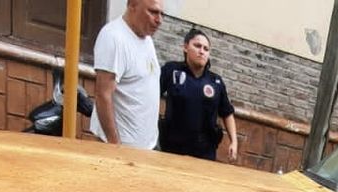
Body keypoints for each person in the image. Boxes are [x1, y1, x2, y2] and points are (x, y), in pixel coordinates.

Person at [91, 0, 164, 149]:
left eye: (162, 14)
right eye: (153, 12)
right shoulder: (114, 37)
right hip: (121, 148)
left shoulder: (147, 39)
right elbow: (103, 95)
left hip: (146, 146)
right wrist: (114, 145)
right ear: (132, 5)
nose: (159, 20)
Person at [159, 29, 239, 161]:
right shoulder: (172, 71)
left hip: (204, 152)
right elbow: (151, 95)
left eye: (206, 49)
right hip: (172, 149)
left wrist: (234, 142)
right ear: (185, 47)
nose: (202, 51)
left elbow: (227, 113)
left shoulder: (216, 82)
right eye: (197, 46)